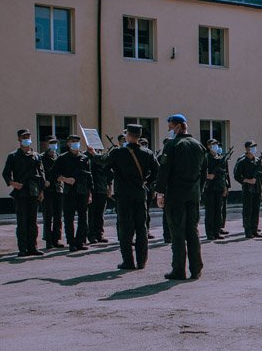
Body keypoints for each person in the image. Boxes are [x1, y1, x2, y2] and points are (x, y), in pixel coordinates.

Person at [155, 114, 207, 280]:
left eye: (170, 127)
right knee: (192, 231)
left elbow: (164, 171)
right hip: (193, 195)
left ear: (177, 126)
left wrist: (160, 192)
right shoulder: (199, 145)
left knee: (177, 233)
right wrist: (199, 191)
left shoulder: (172, 145)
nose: (170, 130)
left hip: (176, 196)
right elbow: (204, 173)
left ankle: (178, 270)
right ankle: (196, 269)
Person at [106, 124, 158, 270]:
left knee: (125, 228)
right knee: (141, 228)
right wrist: (146, 181)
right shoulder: (147, 153)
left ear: (128, 135)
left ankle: (128, 261)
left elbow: (102, 161)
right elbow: (157, 171)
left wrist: (92, 153)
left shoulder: (118, 152)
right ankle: (141, 261)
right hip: (140, 194)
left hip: (123, 195)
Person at [2, 129, 45, 257]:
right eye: (24, 137)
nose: (26, 138)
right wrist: (12, 183)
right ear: (19, 139)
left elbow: (41, 174)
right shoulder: (13, 156)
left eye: (28, 136)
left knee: (33, 222)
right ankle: (22, 248)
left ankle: (33, 247)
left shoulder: (36, 156)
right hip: (21, 192)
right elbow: (6, 173)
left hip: (34, 192)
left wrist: (41, 191)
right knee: (22, 222)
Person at [234, 141, 262, 238]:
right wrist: (247, 180)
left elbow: (261, 173)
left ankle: (255, 230)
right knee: (248, 210)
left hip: (257, 187)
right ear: (247, 149)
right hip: (247, 188)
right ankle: (248, 231)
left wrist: (259, 183)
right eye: (252, 147)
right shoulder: (242, 161)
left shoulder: (257, 160)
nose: (254, 149)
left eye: (255, 146)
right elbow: (237, 175)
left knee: (256, 209)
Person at [202, 139, 230, 240]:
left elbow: (224, 174)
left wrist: (225, 187)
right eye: (213, 144)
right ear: (208, 146)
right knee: (210, 211)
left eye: (217, 144)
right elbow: (200, 170)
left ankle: (217, 231)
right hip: (209, 188)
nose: (216, 146)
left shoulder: (221, 158)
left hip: (219, 187)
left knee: (219, 211)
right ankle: (210, 233)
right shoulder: (205, 157)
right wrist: (207, 176)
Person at [40, 136, 64, 250]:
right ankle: (48, 240)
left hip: (58, 189)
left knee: (58, 216)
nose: (54, 145)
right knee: (48, 216)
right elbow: (40, 173)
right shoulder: (41, 158)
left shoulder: (59, 157)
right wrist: (44, 182)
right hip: (47, 190)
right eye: (51, 143)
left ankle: (56, 239)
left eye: (55, 143)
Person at [88, 145, 111, 244]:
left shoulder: (103, 158)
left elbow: (109, 174)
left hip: (102, 188)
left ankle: (99, 234)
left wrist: (109, 187)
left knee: (100, 213)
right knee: (92, 213)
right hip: (92, 189)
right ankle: (91, 235)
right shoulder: (87, 157)